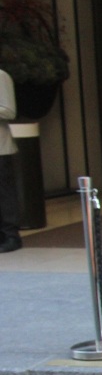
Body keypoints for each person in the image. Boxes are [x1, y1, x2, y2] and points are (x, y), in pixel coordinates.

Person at [0, 69, 21, 254]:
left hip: (1, 147)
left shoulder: (1, 76)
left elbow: (9, 110)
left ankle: (11, 235)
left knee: (4, 193)